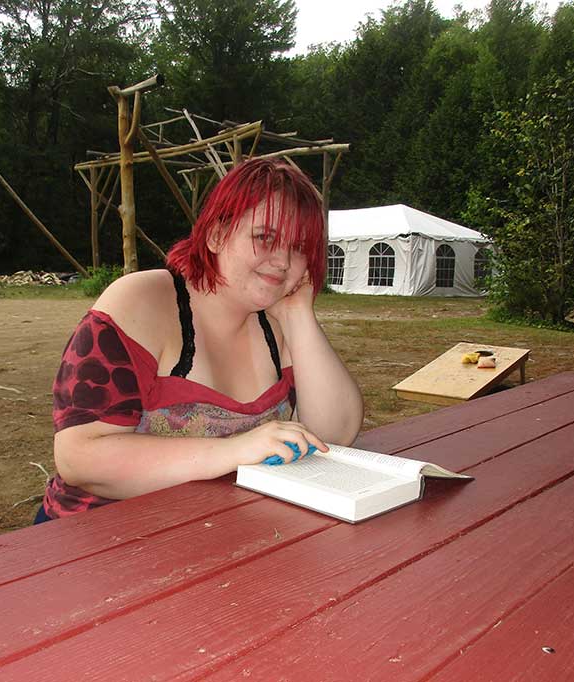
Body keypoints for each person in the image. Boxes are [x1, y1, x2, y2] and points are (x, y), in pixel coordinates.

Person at [36, 158, 364, 523]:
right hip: (96, 535)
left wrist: (298, 314)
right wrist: (234, 451)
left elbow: (335, 434)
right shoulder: (142, 301)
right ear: (217, 235)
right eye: (265, 237)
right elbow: (80, 459)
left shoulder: (279, 321)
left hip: (214, 529)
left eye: (299, 247)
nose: (283, 261)